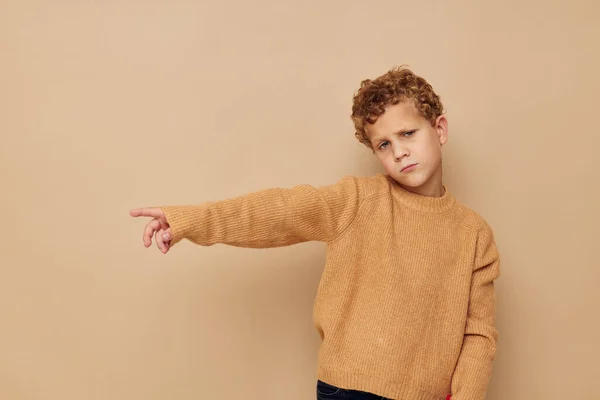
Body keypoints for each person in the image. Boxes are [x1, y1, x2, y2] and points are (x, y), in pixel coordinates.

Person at [130, 66, 500, 400]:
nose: (400, 152)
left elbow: (478, 334)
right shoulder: (357, 200)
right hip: (349, 389)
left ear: (440, 129)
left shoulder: (474, 235)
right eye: (384, 144)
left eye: (408, 134)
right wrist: (190, 220)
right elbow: (278, 213)